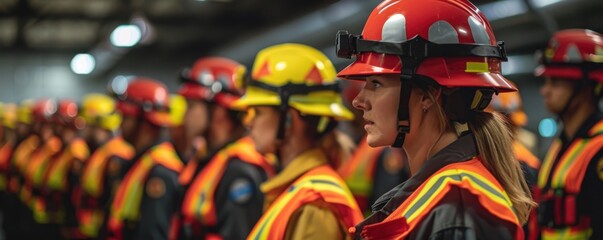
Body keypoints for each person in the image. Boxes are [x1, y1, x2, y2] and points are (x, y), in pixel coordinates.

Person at [334, 0, 535, 238]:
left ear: (428, 96)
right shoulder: (444, 198)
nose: (359, 101)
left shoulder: (458, 210)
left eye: (376, 84)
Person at [234, 43, 363, 240]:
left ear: (288, 119)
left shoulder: (314, 207)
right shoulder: (299, 193)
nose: (248, 121)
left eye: (258, 112)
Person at [174, 57, 276, 239]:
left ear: (218, 111)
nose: (185, 117)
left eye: (191, 107)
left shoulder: (239, 170)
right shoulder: (213, 160)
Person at [533, 29, 603, 240]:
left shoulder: (599, 150)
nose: (544, 91)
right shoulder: (560, 146)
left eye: (555, 82)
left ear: (584, 88)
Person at [106, 77, 184, 240]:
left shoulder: (160, 170)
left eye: (125, 117)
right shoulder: (143, 161)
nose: (119, 125)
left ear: (144, 121)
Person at [75, 93, 135, 239]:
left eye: (86, 124)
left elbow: (114, 203)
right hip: (90, 230)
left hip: (101, 232)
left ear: (98, 124)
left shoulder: (117, 156)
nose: (81, 129)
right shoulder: (100, 151)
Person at [42, 99, 90, 238]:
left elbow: (76, 190)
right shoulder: (65, 148)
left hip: (70, 218)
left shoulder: (77, 151)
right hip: (59, 213)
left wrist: (70, 222)